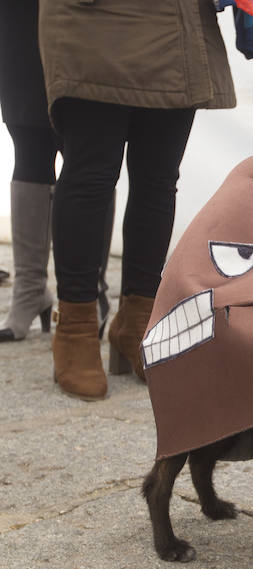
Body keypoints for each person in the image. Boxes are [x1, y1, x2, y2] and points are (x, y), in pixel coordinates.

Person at [38, 0, 236, 400]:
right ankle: (75, 327)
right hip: (96, 19)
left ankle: (138, 321)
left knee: (159, 179)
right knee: (92, 173)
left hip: (178, 23)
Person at [0, 0, 115, 344]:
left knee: (87, 151)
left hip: (82, 13)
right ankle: (30, 290)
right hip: (17, 15)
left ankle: (90, 289)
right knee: (28, 138)